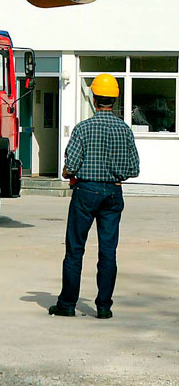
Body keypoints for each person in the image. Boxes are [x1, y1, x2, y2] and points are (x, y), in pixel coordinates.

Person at [49, 73, 140, 319]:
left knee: (75, 249)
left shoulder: (83, 129)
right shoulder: (125, 130)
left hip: (85, 192)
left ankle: (67, 304)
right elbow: (134, 169)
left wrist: (70, 171)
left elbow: (71, 165)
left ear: (93, 97)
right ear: (115, 99)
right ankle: (103, 306)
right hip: (112, 193)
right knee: (108, 251)